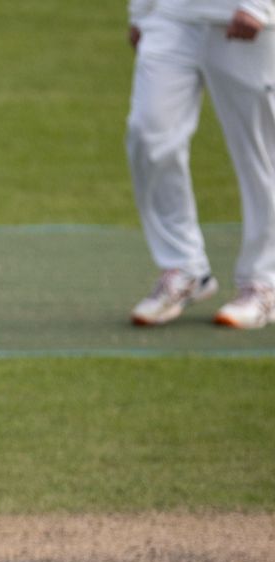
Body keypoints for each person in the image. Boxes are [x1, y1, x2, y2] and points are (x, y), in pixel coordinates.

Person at [126, 0, 275, 327]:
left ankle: (264, 282)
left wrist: (258, 5)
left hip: (245, 17)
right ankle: (184, 268)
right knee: (148, 135)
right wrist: (140, 10)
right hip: (171, 15)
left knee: (260, 153)